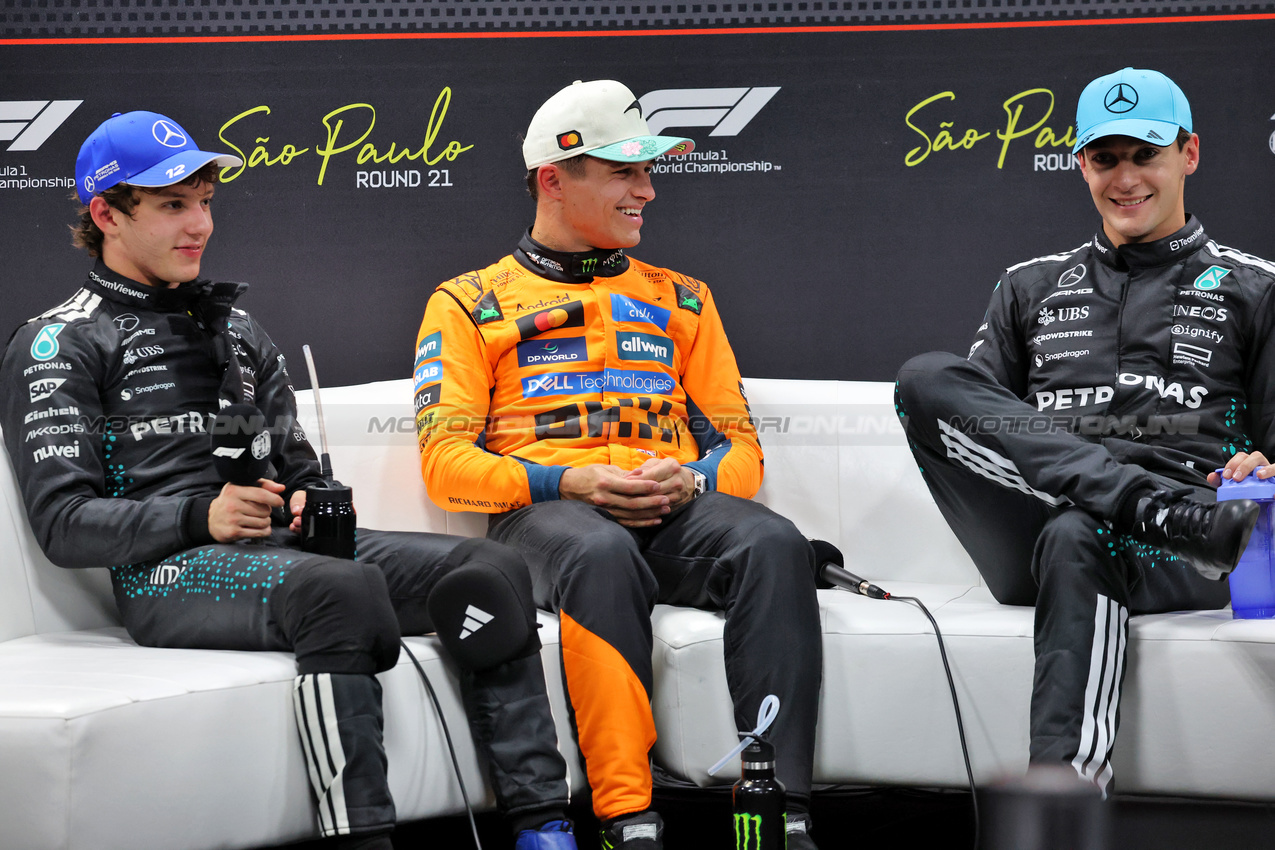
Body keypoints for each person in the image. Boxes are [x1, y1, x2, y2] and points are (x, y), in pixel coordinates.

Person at [0, 111, 581, 850]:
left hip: (281, 554)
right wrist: (199, 518)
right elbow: (63, 524)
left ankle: (542, 825)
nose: (200, 224)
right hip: (165, 575)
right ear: (106, 213)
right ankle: (361, 837)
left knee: (491, 566)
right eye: (173, 204)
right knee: (341, 590)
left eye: (205, 201)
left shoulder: (235, 329)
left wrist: (306, 494)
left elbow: (295, 464)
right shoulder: (59, 340)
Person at [413, 80, 823, 849]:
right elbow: (447, 464)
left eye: (647, 171)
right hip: (544, 523)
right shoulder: (467, 302)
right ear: (553, 179)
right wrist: (567, 480)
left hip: (670, 512)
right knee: (600, 552)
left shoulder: (686, 299)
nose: (648, 190)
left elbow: (741, 449)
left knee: (774, 543)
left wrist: (692, 478)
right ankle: (626, 820)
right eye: (624, 172)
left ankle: (777, 814)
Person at [895, 68, 1275, 794]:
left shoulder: (1253, 288)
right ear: (1079, 165)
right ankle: (1145, 505)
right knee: (922, 377)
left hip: (1188, 547)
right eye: (1105, 159)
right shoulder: (1028, 286)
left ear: (1188, 154)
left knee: (1081, 532)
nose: (1124, 178)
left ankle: (1063, 814)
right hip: (1053, 523)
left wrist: (1260, 469)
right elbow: (980, 431)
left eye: (1145, 155)